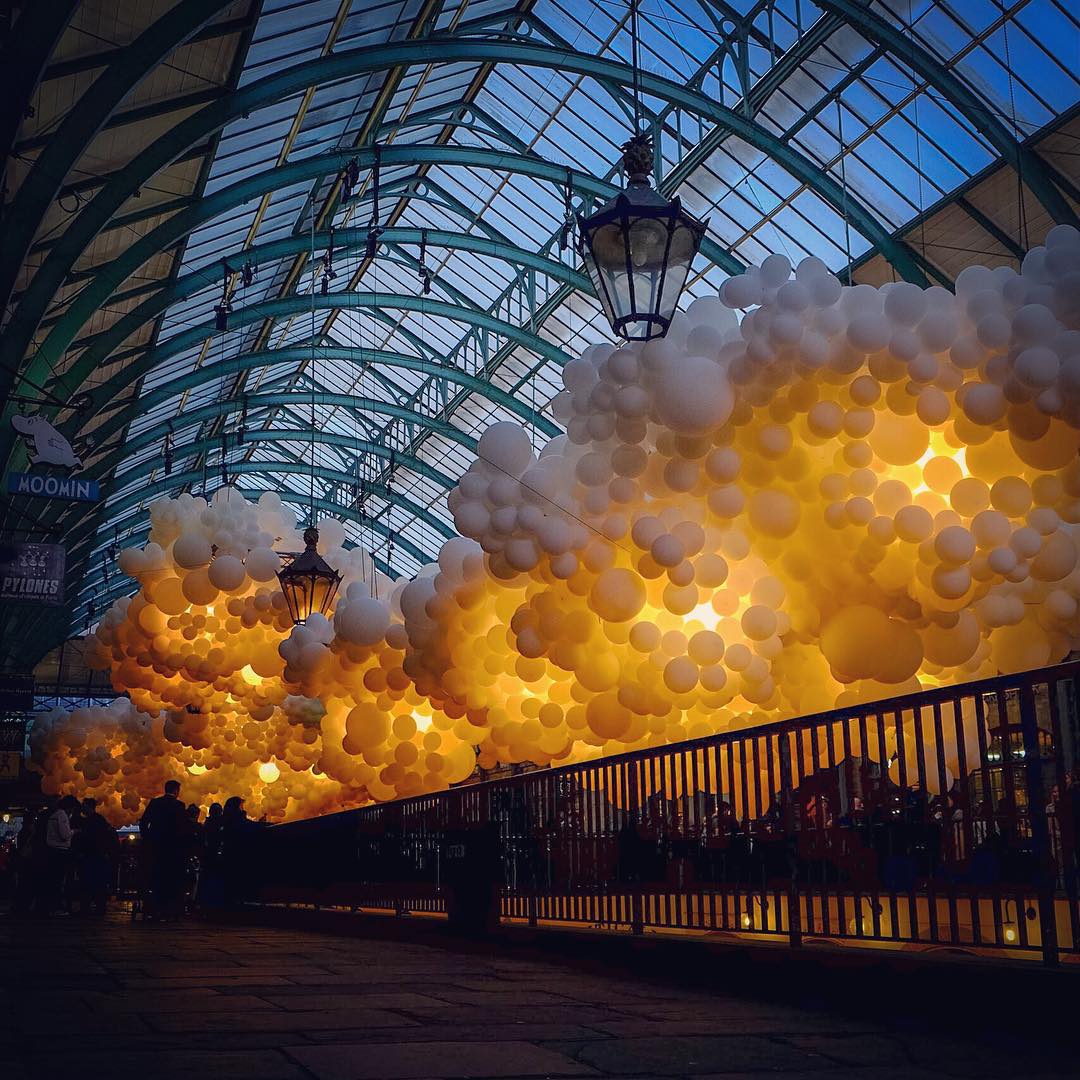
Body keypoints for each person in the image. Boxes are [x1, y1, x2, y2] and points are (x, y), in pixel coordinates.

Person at [138, 780, 190, 919]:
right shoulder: (179, 806)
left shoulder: (155, 803)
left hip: (156, 847)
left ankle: (154, 908)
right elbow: (182, 828)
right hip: (173, 849)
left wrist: (148, 838)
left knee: (156, 878)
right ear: (176, 791)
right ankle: (168, 910)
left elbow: (144, 822)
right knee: (170, 879)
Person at [76, 798, 120, 916]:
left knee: (90, 881)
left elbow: (91, 839)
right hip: (97, 855)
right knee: (96, 882)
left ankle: (90, 907)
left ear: (88, 807)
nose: (82, 808)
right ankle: (97, 907)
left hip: (93, 855)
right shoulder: (99, 820)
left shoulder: (92, 821)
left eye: (84, 805)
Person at [43, 795, 79, 915]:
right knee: (58, 881)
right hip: (60, 851)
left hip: (51, 850)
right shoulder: (62, 816)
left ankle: (50, 907)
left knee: (53, 880)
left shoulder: (54, 815)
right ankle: (56, 907)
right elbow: (64, 835)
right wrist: (74, 831)